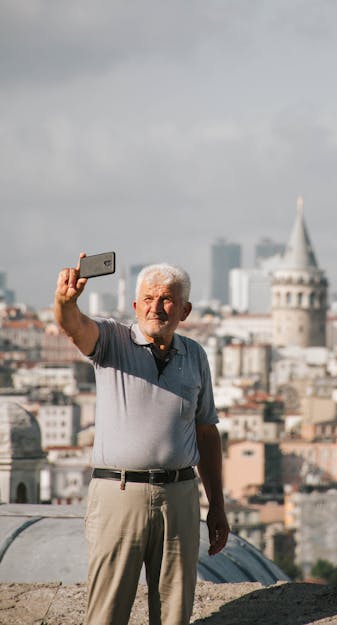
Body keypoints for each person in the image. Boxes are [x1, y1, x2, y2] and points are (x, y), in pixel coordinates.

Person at [54, 254, 229, 625]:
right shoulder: (112, 341)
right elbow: (75, 327)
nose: (157, 307)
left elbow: (206, 432)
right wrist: (65, 302)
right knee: (107, 611)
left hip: (180, 495)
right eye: (148, 299)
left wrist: (217, 505)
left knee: (173, 611)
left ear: (185, 309)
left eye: (167, 299)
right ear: (135, 306)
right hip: (119, 493)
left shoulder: (195, 355)